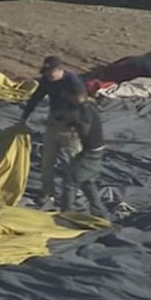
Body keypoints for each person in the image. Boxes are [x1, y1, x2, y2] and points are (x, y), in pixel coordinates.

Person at [20, 56, 86, 208]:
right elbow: (36, 98)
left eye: (51, 72)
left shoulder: (72, 81)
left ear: (59, 70)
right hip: (52, 126)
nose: (48, 76)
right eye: (46, 72)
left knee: (73, 161)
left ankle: (76, 191)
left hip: (70, 129)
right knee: (47, 162)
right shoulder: (46, 81)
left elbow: (82, 103)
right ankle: (46, 191)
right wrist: (24, 118)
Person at [59, 84, 111, 219]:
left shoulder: (84, 111)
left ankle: (66, 213)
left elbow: (84, 128)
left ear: (75, 96)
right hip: (95, 151)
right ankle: (99, 214)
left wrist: (71, 124)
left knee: (70, 181)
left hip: (91, 153)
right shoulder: (90, 106)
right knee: (88, 181)